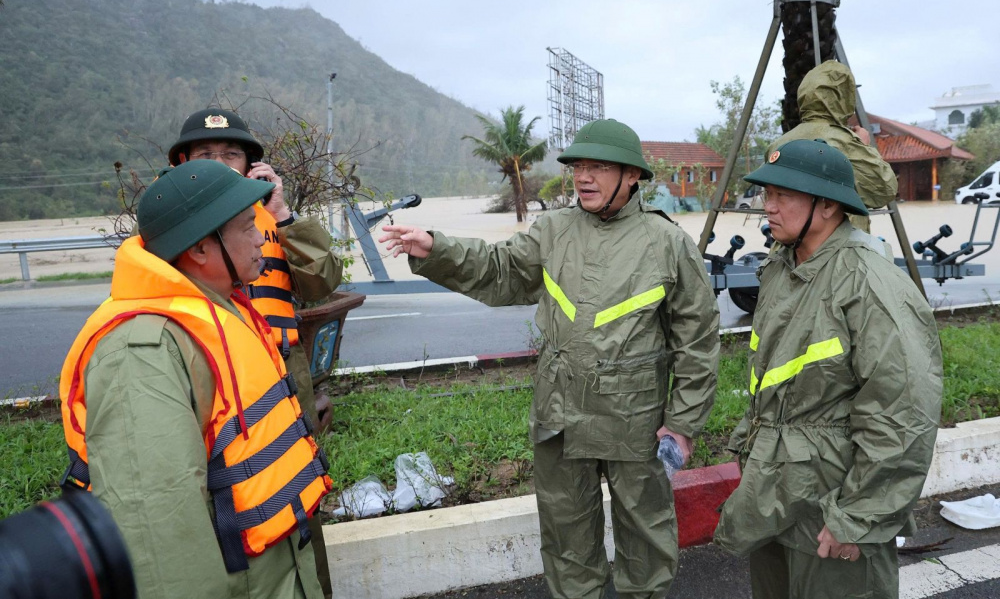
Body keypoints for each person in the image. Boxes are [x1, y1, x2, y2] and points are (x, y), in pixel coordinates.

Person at [380, 118, 720, 599]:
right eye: (578, 166)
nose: (583, 177)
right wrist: (436, 248)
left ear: (631, 176)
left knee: (645, 542)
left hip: (635, 423)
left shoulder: (666, 243)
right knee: (566, 543)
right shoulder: (554, 230)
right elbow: (499, 270)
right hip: (560, 417)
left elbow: (698, 339)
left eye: (598, 167)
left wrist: (682, 424)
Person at [59, 160, 332, 599]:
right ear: (200, 249)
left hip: (274, 570)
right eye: (247, 227)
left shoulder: (224, 307)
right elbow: (159, 530)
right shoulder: (142, 352)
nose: (260, 235)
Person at [713, 139, 943, 599]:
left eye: (783, 195)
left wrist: (856, 518)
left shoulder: (867, 281)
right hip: (777, 493)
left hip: (833, 502)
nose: (768, 208)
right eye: (766, 195)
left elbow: (902, 413)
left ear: (827, 206)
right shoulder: (782, 269)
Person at [169, 108, 342, 597]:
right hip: (214, 372)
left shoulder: (270, 217)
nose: (222, 164)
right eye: (207, 155)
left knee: (299, 480)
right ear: (184, 162)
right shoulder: (174, 218)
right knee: (228, 490)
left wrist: (284, 215)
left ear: (251, 165)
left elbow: (322, 282)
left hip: (285, 371)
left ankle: (312, 583)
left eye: (232, 155)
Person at [769, 60, 898, 232]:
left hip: (789, 249)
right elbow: (882, 191)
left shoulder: (779, 144)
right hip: (838, 249)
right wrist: (862, 145)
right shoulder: (844, 140)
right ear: (844, 97)